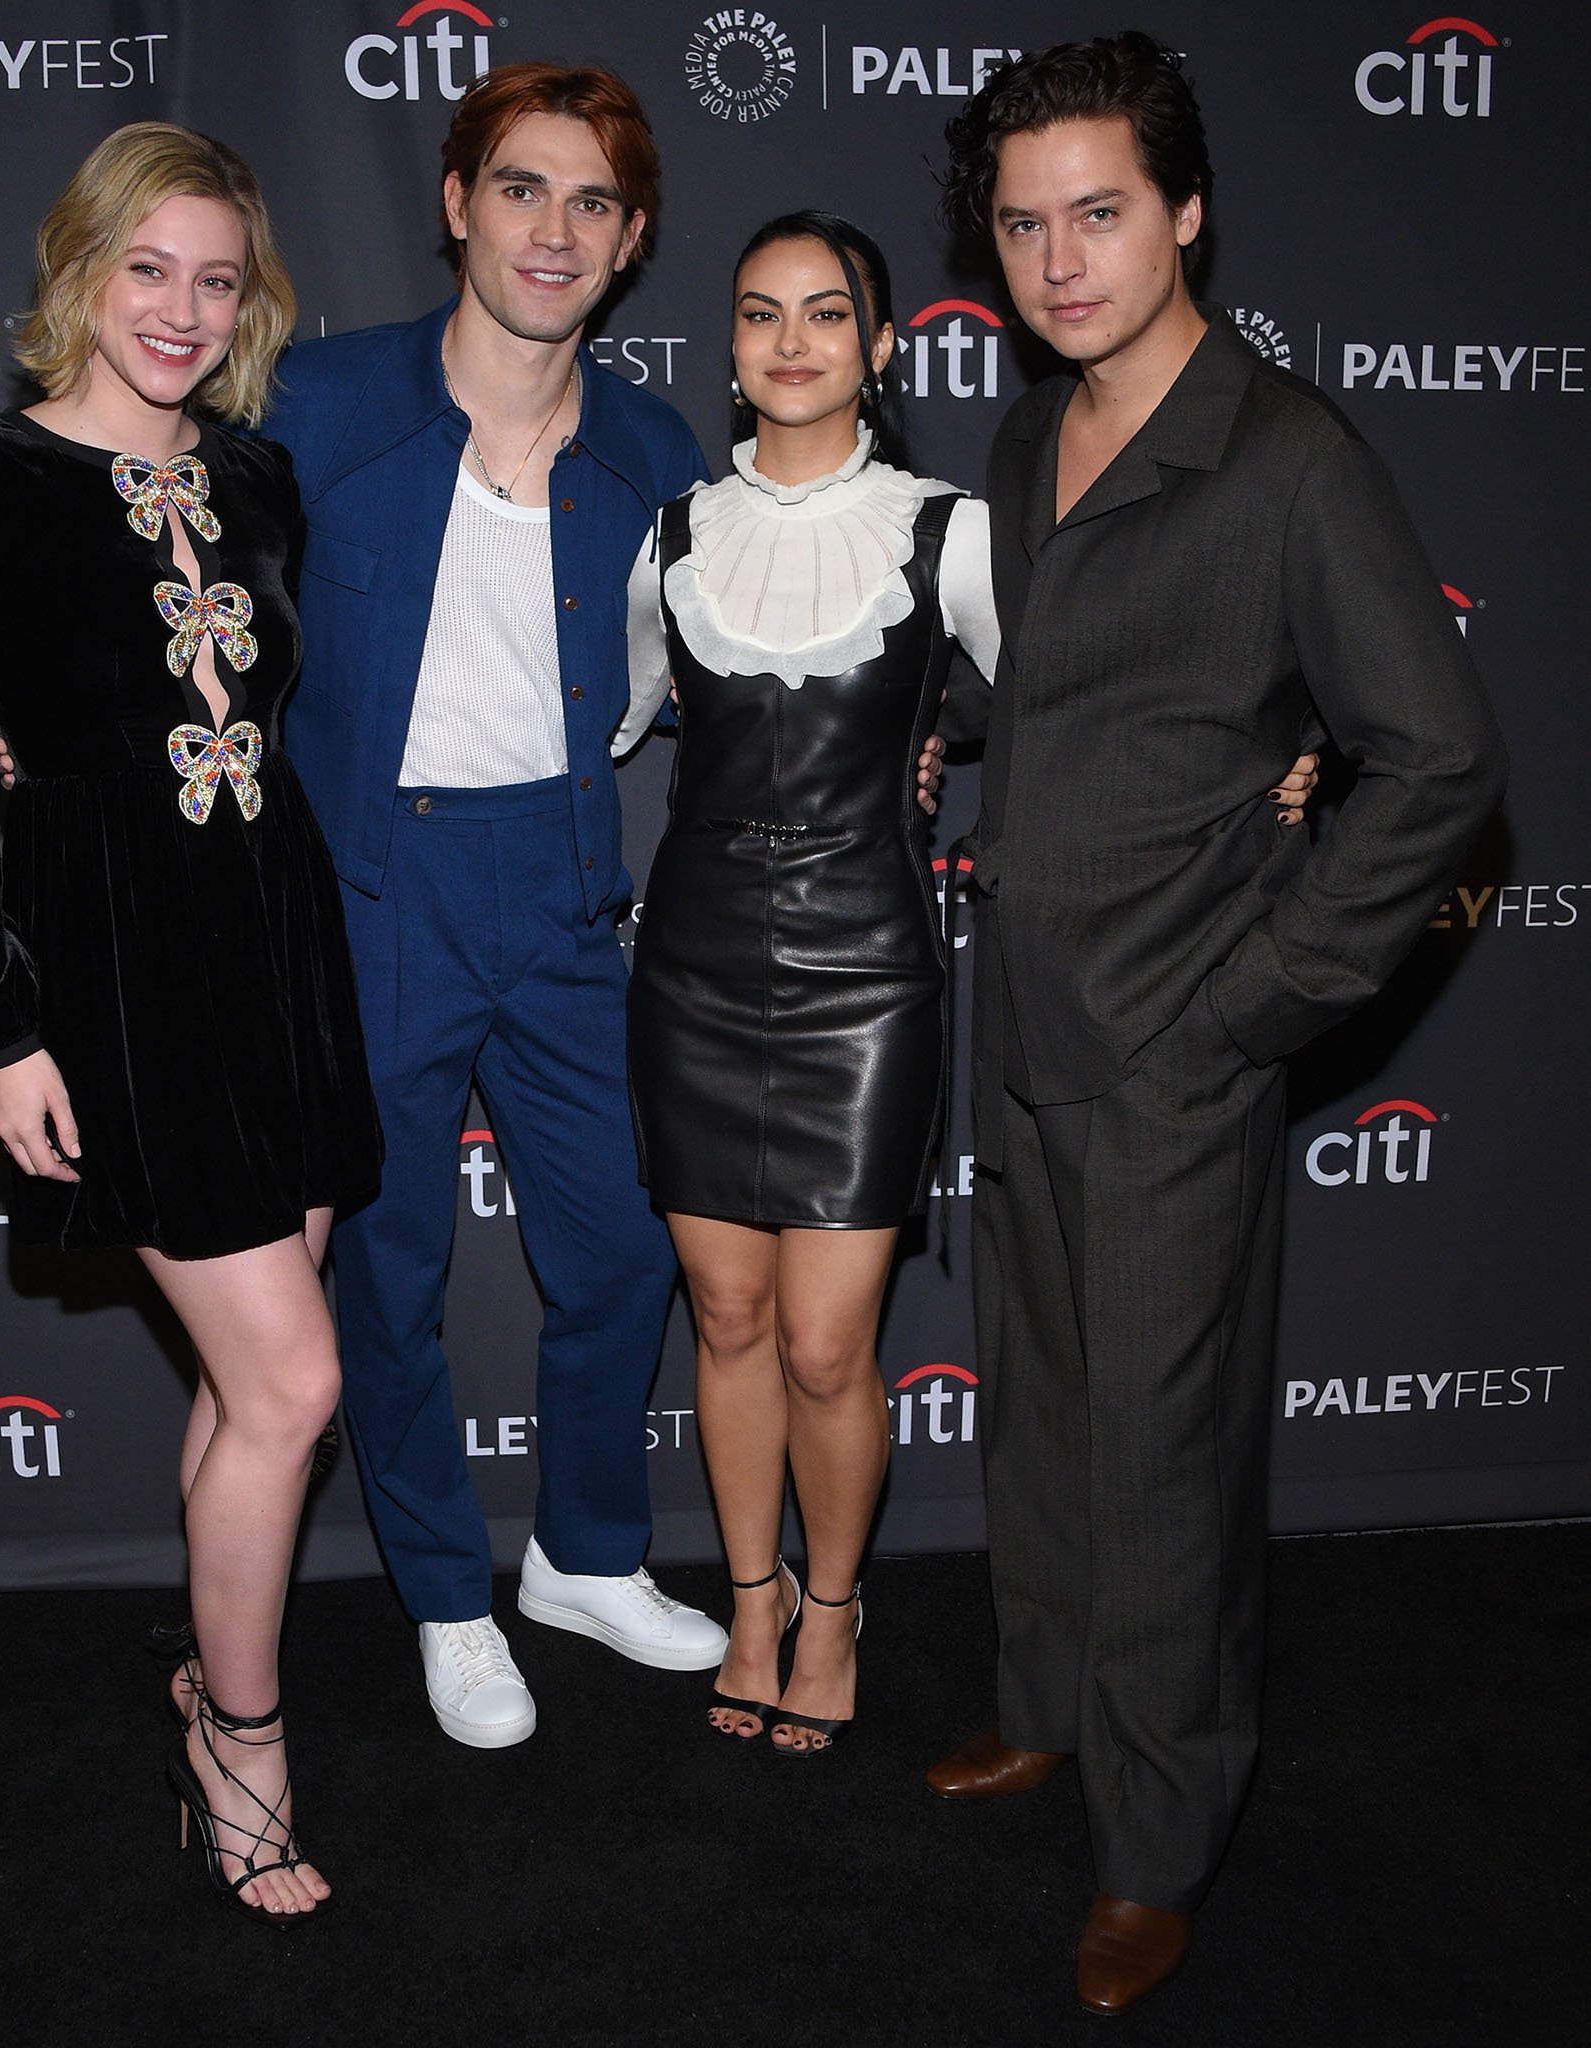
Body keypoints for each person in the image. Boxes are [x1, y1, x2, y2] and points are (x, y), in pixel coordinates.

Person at [927, 34, 1506, 2013]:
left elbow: (1435, 765)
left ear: (1184, 213)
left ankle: (1160, 1841)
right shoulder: (1024, 440)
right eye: (1020, 222)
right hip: (1023, 1019)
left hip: (1182, 1045)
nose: (1058, 258)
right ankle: (1049, 1708)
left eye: (1097, 211)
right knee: (1047, 1408)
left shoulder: (1288, 460)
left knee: (1164, 1454)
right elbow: (1066, 687)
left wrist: (1261, 994)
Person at [618, 213, 1315, 1759]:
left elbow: (1075, 696)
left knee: (821, 1342)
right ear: (725, 350)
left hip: (867, 968)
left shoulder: (949, 531)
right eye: (756, 314)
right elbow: (620, 718)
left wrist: (1277, 739)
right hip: (693, 966)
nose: (789, 341)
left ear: (880, 346)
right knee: (723, 1319)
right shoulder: (668, 536)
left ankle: (836, 1603)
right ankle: (747, 1598)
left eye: (825, 314)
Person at [0, 122, 380, 1926]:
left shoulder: (256, 478)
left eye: (216, 277)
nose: (180, 309)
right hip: (111, 977)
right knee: (292, 1383)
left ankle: (204, 1684)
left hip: (277, 946)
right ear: (81, 268)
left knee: (257, 1393)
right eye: (148, 267)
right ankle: (240, 1745)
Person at [258, 64, 737, 1747]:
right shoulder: (311, 406)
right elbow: (179, 609)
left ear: (629, 243)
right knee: (382, 1277)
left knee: (619, 1249)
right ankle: (450, 1598)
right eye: (522, 188)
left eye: (593, 202)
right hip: (371, 886)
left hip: (563, 890)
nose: (554, 228)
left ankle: (586, 1555)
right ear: (457, 202)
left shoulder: (661, 448)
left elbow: (738, 676)